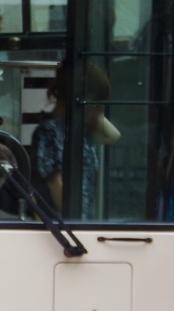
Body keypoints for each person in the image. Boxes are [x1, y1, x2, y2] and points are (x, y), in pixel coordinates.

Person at [32, 61, 117, 213]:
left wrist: (92, 109)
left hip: (82, 218)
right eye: (94, 102)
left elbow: (113, 135)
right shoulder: (52, 131)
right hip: (66, 220)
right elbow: (55, 182)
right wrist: (75, 221)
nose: (97, 108)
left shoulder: (78, 130)